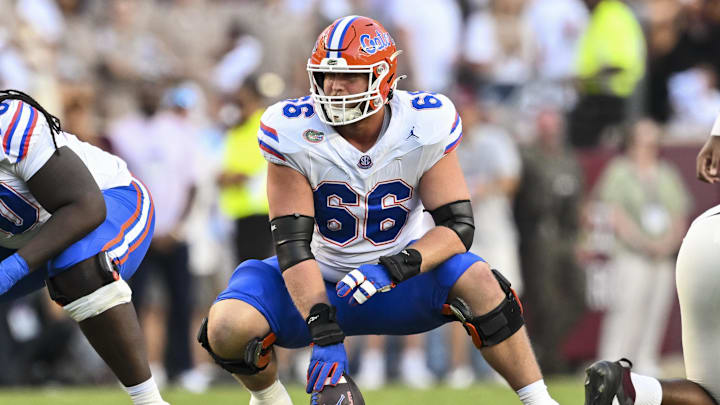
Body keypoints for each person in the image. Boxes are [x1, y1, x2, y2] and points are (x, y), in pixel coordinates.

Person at [199, 16, 559, 405]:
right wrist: (322, 328)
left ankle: (539, 400)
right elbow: (293, 246)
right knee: (225, 326)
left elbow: (457, 226)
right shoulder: (292, 131)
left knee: (484, 282)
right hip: (317, 280)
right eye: (325, 76)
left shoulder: (423, 123)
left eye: (349, 77)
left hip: (400, 282)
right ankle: (271, 400)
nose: (334, 87)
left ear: (384, 76)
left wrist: (396, 266)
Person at [0, 90, 166, 404]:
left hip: (107, 199)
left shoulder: (7, 123)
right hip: (27, 231)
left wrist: (14, 268)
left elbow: (86, 207)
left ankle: (149, 401)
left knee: (79, 265)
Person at [583, 117, 720, 405]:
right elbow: (613, 212)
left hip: (670, 249)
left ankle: (640, 374)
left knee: (655, 310)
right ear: (632, 140)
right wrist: (643, 242)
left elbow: (678, 209)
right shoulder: (620, 170)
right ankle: (609, 363)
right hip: (631, 252)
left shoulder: (665, 170)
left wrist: (666, 243)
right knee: (626, 309)